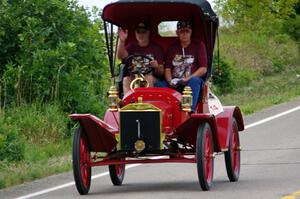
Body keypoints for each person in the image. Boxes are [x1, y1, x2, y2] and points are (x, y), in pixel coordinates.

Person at [165, 20, 208, 112]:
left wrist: (188, 78)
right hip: (175, 82)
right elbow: (167, 68)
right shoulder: (172, 48)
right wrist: (169, 81)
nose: (184, 34)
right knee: (158, 85)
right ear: (177, 33)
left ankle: (188, 110)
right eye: (182, 31)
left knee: (194, 81)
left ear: (191, 32)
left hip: (191, 81)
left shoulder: (199, 45)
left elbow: (203, 69)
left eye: (187, 31)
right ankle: (166, 110)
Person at [117, 22, 164, 94]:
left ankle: (148, 102)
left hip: (151, 77)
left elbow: (161, 73)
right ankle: (127, 102)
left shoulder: (156, 48)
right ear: (135, 33)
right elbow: (120, 56)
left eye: (144, 32)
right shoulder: (131, 47)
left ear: (148, 33)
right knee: (126, 79)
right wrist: (122, 41)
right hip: (134, 77)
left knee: (148, 78)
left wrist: (156, 66)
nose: (141, 34)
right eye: (138, 32)